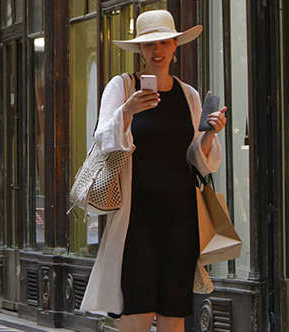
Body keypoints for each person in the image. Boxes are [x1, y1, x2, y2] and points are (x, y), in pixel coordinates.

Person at [78, 10, 227, 332]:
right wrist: (128, 111)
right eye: (149, 45)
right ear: (139, 51)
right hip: (136, 218)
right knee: (137, 305)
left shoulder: (189, 95)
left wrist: (211, 134)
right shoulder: (122, 86)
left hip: (181, 216)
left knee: (175, 308)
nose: (157, 51)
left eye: (163, 43)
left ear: (175, 45)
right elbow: (102, 140)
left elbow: (199, 160)